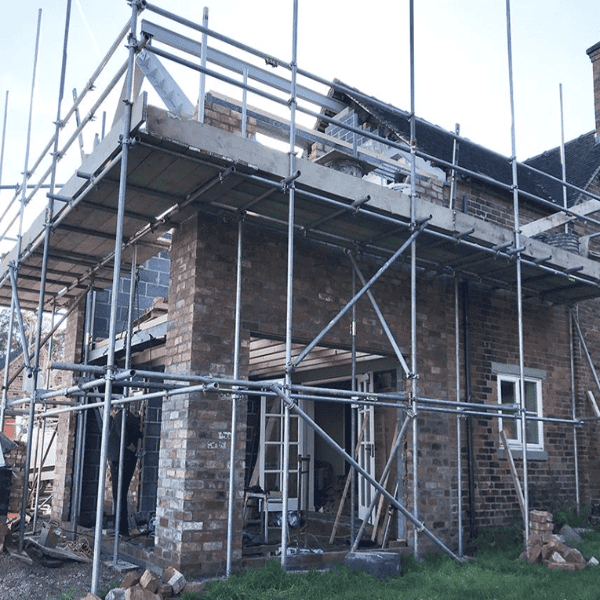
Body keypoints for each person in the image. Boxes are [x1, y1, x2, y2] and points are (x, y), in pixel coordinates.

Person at [108, 409, 141, 536]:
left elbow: (125, 439)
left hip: (121, 461)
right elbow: (139, 435)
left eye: (110, 410)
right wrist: (135, 450)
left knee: (119, 494)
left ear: (114, 408)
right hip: (127, 460)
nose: (109, 412)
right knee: (121, 493)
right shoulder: (130, 416)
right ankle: (121, 529)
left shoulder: (119, 418)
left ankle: (121, 530)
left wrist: (132, 449)